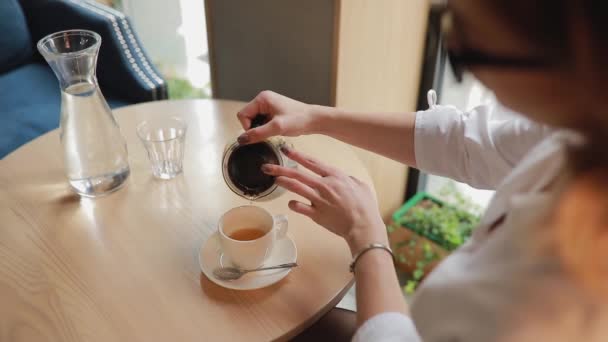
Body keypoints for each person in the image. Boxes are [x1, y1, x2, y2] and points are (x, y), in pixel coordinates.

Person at [236, 0, 608, 340]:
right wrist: (314, 116)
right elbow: (468, 143)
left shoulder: (560, 289)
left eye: (465, 49)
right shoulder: (579, 125)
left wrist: (366, 237)